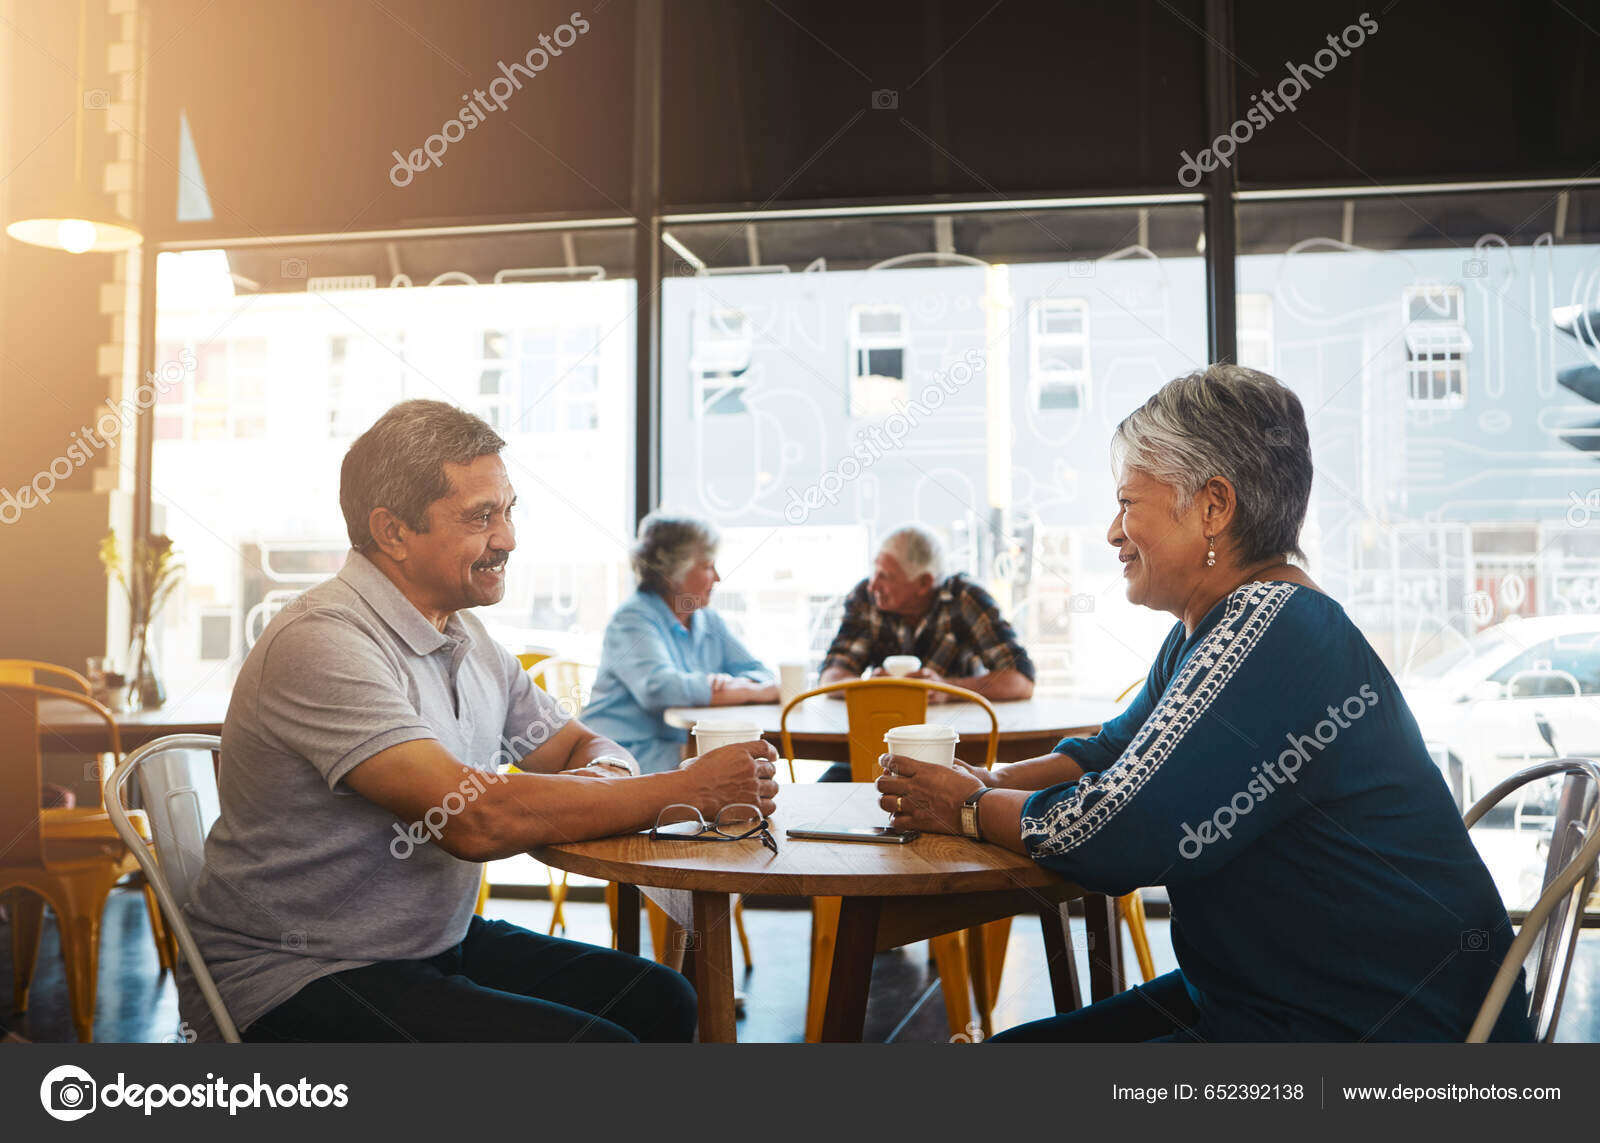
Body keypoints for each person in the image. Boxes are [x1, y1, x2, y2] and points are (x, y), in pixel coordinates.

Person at [875, 365, 1533, 1042]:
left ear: (1214, 506)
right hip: (1281, 992)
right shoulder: (1223, 625)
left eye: (1128, 502)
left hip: (1380, 1026)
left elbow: (1117, 833)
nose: (1112, 531)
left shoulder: (1273, 630)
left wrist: (967, 807)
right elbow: (1111, 752)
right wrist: (993, 780)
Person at [181, 401, 779, 1042]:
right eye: (480, 517)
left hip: (427, 942)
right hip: (299, 974)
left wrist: (603, 777)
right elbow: (471, 820)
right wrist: (687, 788)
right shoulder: (323, 639)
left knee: (661, 999)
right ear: (393, 532)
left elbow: (577, 746)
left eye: (508, 511)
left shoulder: (468, 637)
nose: (508, 538)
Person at [582, 513, 778, 774]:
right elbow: (661, 689)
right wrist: (748, 691)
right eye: (708, 566)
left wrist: (733, 685)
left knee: (749, 773)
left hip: (680, 749)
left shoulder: (707, 619)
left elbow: (762, 674)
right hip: (623, 755)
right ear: (673, 573)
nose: (718, 578)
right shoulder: (632, 618)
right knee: (734, 776)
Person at [819, 524, 1035, 703]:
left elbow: (1021, 681)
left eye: (885, 576)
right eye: (875, 572)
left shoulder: (965, 598)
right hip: (886, 728)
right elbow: (831, 676)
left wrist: (947, 689)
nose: (873, 585)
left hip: (957, 734)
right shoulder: (865, 598)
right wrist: (870, 688)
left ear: (924, 583)